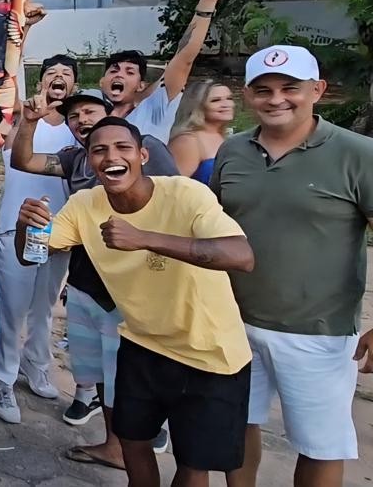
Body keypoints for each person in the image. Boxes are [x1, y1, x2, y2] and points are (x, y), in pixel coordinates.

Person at [18, 117, 255, 487]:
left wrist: (144, 238)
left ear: (143, 155)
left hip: (209, 354)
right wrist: (27, 227)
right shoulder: (85, 204)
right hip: (141, 343)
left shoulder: (185, 194)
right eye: (99, 150)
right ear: (89, 162)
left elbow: (241, 256)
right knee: (130, 440)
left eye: (122, 147)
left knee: (193, 462)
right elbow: (31, 255)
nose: (111, 156)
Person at [214, 45, 373, 487]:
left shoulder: (358, 153)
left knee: (321, 444)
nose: (277, 99)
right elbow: (214, 226)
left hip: (318, 331)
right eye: (263, 90)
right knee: (236, 427)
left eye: (290, 87)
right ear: (247, 95)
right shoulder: (232, 150)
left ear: (317, 90)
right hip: (234, 323)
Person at [10, 88, 178, 467]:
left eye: (90, 111)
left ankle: (148, 437)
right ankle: (115, 445)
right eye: (74, 116)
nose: (82, 119)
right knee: (103, 373)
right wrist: (29, 122)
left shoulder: (147, 148)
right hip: (87, 284)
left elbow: (174, 207)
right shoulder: (76, 159)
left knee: (137, 373)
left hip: (136, 290)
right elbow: (23, 160)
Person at [0, 55, 78, 424]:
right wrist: (28, 118)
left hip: (59, 232)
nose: (58, 77)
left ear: (74, 86)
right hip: (16, 227)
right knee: (12, 309)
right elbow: (13, 154)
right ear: (40, 82)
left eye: (66, 74)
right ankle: (3, 378)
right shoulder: (24, 120)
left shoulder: (77, 129)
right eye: (51, 73)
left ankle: (37, 366)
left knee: (43, 309)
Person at [100, 0, 229, 142]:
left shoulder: (155, 107)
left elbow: (184, 58)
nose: (119, 75)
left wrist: (208, 0)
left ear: (141, 85)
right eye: (114, 70)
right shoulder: (85, 114)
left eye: (130, 72)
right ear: (102, 82)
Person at [167, 79, 234, 184]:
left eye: (229, 98)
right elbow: (173, 187)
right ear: (198, 106)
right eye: (216, 100)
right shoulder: (187, 141)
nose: (226, 104)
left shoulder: (226, 138)